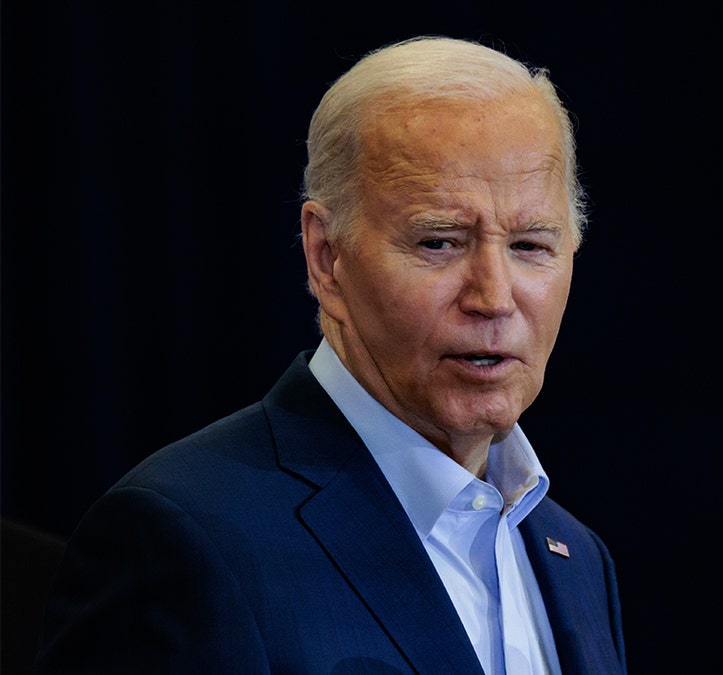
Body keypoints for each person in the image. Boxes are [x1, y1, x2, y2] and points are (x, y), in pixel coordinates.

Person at [35, 37, 626, 674]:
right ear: (327, 257)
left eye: (531, 246)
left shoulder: (578, 560)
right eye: (439, 242)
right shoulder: (183, 540)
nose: (493, 297)